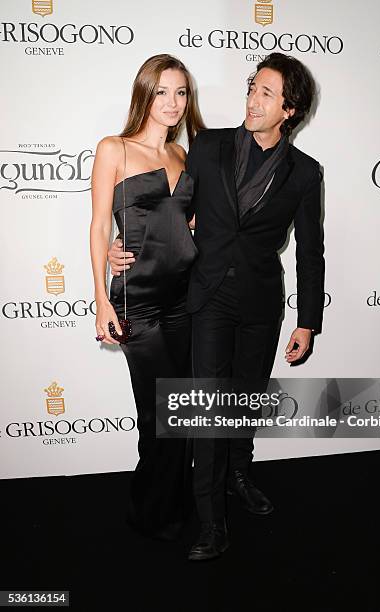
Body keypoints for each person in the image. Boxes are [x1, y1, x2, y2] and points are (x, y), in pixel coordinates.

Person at [109, 52, 325, 561]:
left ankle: (239, 476)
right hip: (204, 300)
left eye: (266, 93)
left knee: (243, 403)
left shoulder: (306, 173)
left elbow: (311, 252)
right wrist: (127, 244)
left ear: (288, 109)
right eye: (253, 88)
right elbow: (170, 209)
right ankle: (211, 521)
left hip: (260, 304)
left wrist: (308, 321)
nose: (253, 99)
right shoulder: (207, 147)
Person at [90, 53, 204, 540]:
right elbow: (98, 227)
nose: (173, 103)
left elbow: (185, 222)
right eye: (162, 92)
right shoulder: (114, 148)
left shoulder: (184, 155)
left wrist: (191, 227)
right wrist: (101, 298)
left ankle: (173, 507)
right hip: (139, 298)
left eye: (181, 92)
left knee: (181, 410)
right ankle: (151, 513)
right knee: (158, 413)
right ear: (145, 94)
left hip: (184, 297)